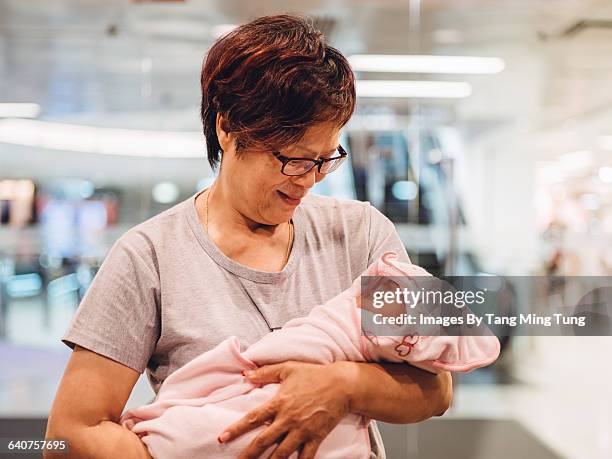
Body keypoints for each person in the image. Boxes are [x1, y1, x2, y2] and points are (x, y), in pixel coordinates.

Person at [45, 14, 452, 459]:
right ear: (227, 128)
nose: (309, 180)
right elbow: (71, 433)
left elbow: (436, 389)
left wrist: (343, 386)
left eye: (324, 158)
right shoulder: (150, 257)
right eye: (293, 159)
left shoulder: (361, 234)